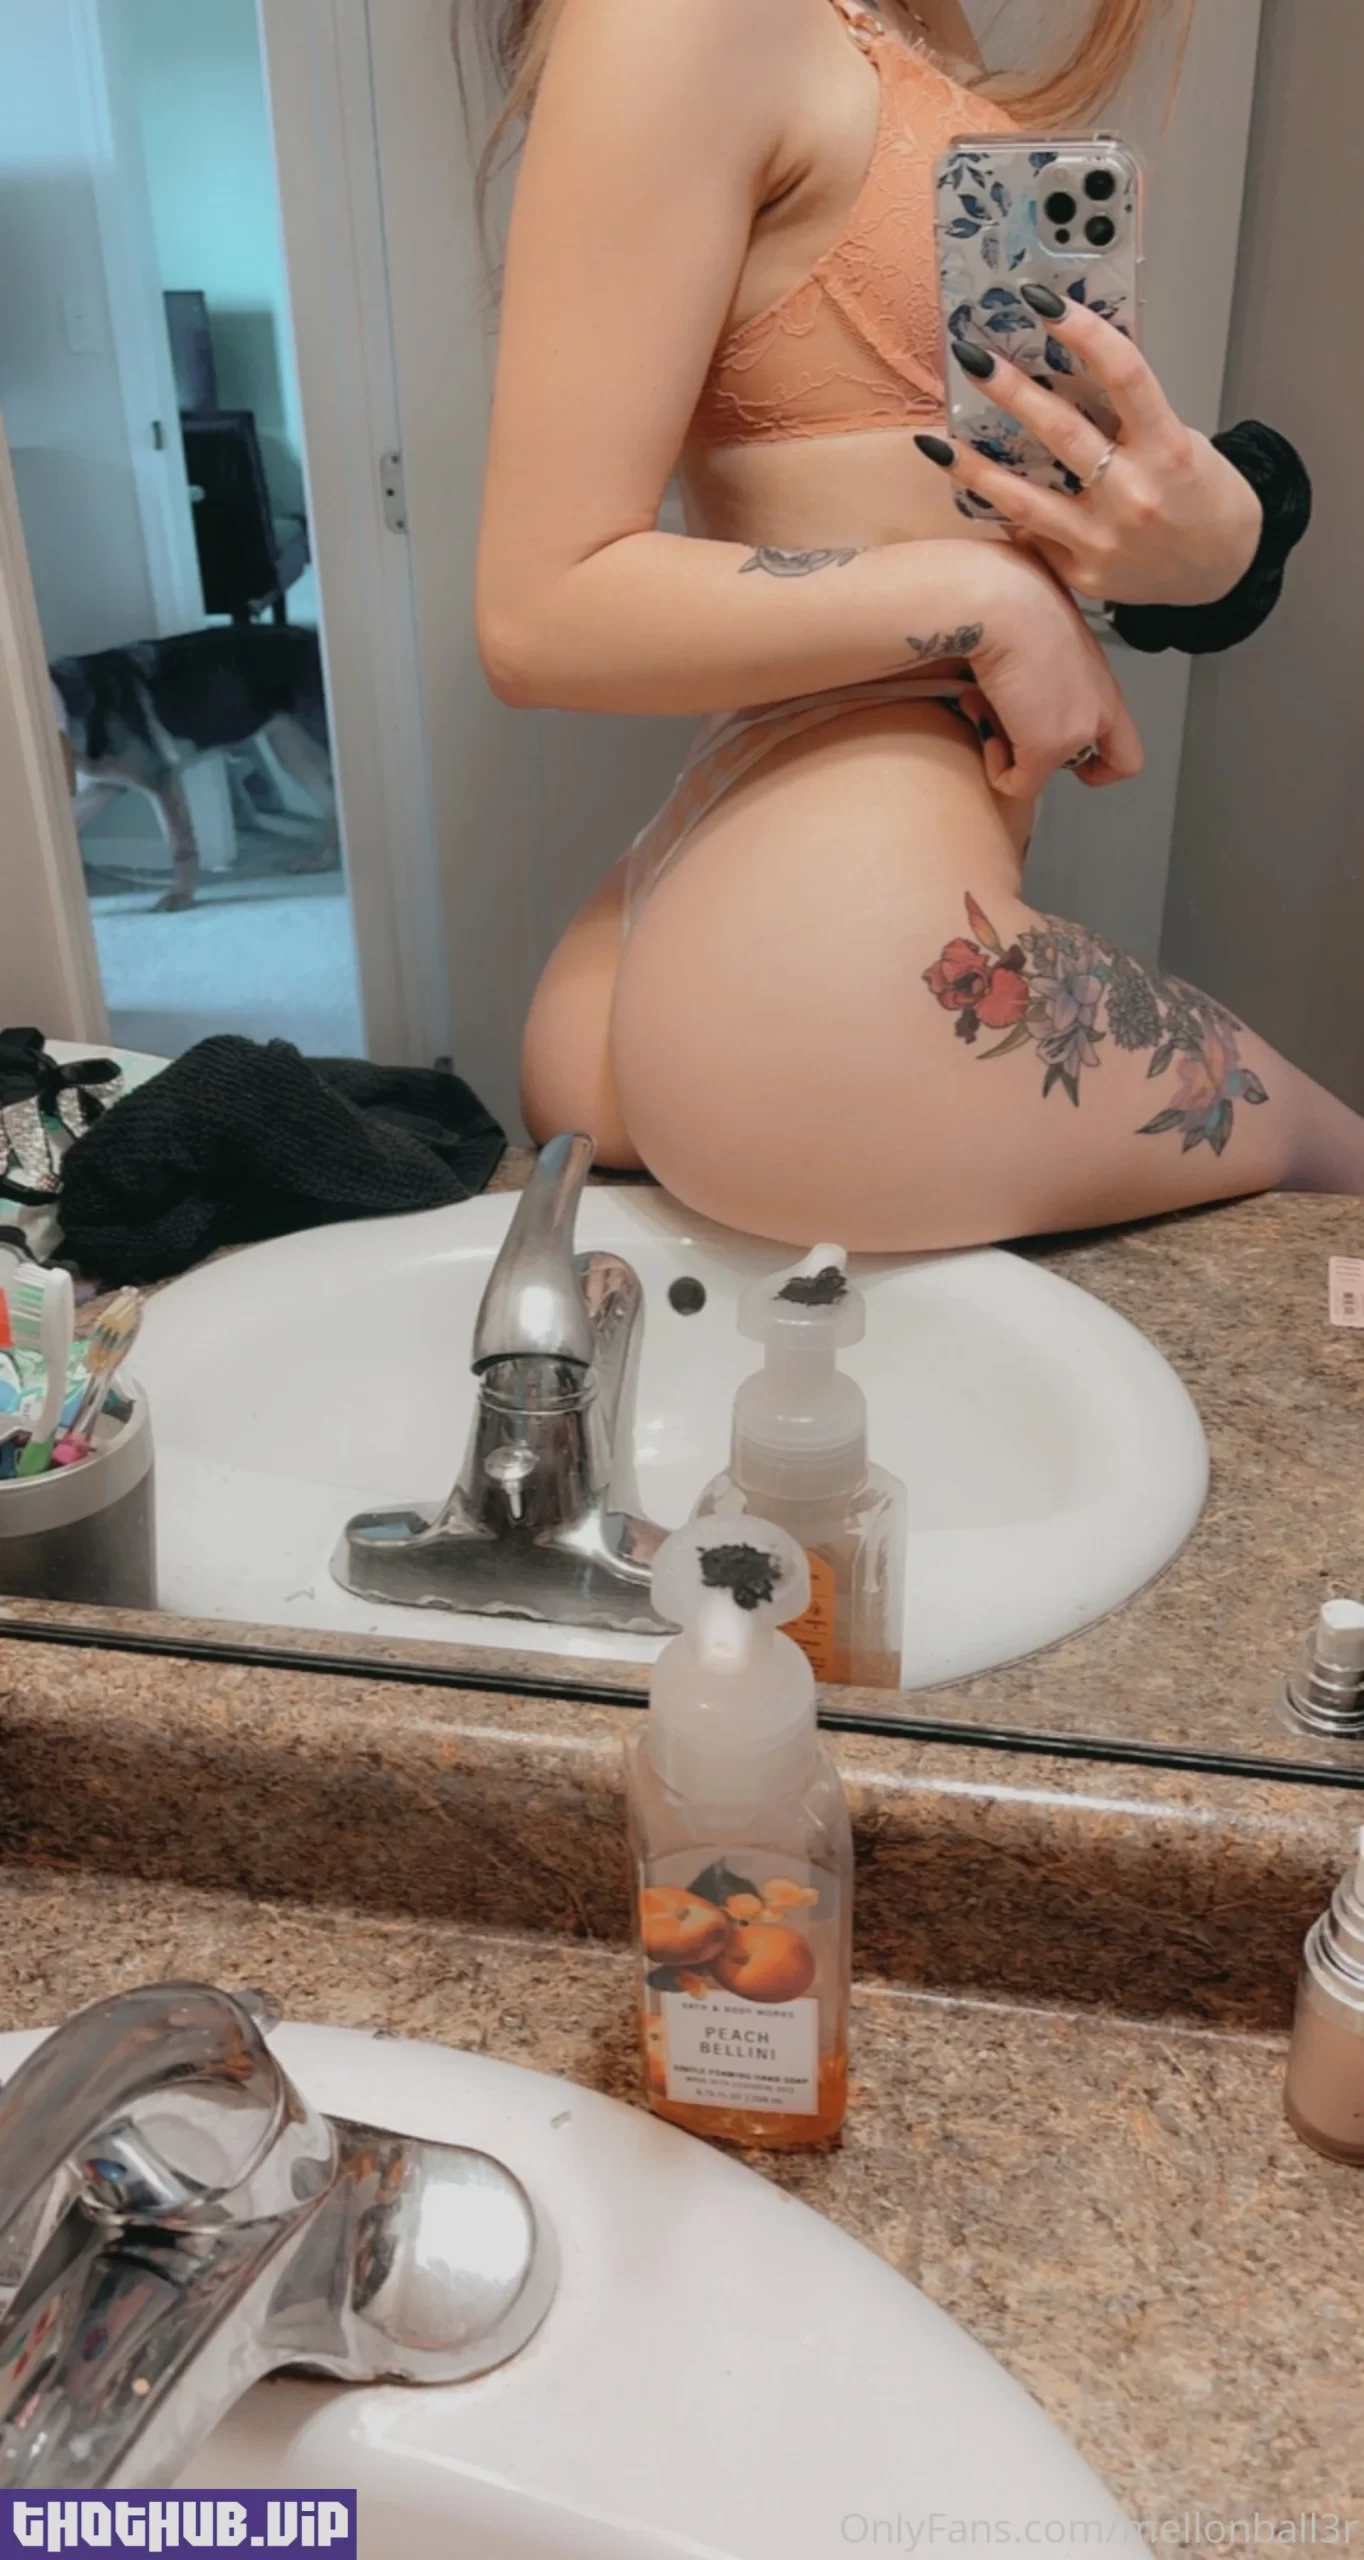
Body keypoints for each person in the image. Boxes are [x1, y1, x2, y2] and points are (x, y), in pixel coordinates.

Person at [467, 0, 1349, 1250]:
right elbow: (540, 608)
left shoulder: (909, 19)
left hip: (744, 885)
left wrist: (1201, 545)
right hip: (825, 944)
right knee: (1338, 1173)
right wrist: (982, 601)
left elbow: (918, 479)